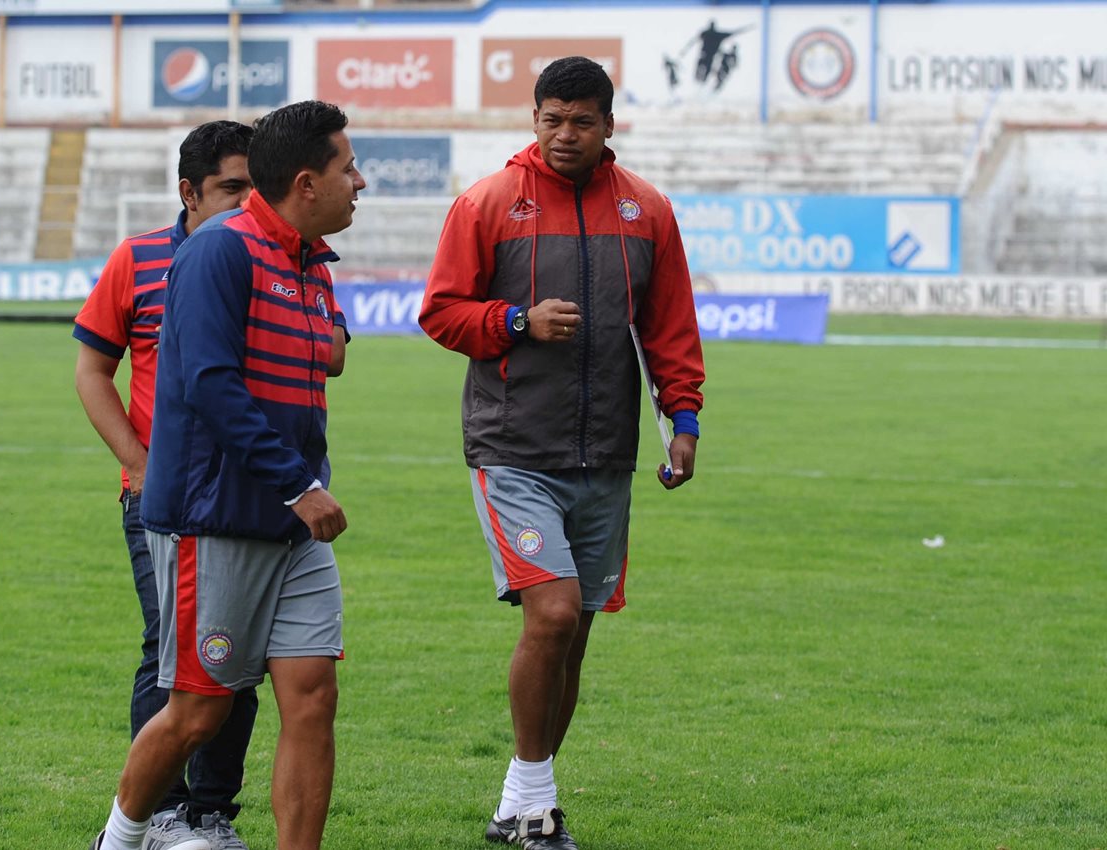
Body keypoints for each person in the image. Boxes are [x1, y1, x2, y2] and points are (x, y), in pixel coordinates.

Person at [418, 57, 705, 850]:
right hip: (512, 448)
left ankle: (521, 801)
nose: (565, 134)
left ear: (609, 124)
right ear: (534, 119)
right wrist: (516, 321)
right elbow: (440, 313)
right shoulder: (487, 202)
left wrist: (683, 420)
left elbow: (670, 327)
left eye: (582, 120)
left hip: (607, 454)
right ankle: (535, 802)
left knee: (572, 630)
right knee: (549, 612)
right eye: (552, 119)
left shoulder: (646, 211)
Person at [87, 99, 365, 850]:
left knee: (312, 699)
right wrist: (299, 483)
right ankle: (119, 837)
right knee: (198, 713)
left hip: (291, 526)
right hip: (215, 519)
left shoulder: (311, 264)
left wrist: (300, 486)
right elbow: (209, 383)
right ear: (306, 183)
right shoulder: (219, 252)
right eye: (348, 168)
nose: (360, 182)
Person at [75, 120, 263, 850]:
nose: (248, 201)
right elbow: (93, 369)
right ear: (189, 191)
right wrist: (139, 461)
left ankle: (210, 813)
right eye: (232, 188)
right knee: (171, 648)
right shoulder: (140, 257)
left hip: (254, 492)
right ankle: (158, 812)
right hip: (164, 496)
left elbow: (335, 350)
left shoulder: (283, 256)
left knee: (237, 654)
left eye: (256, 186)